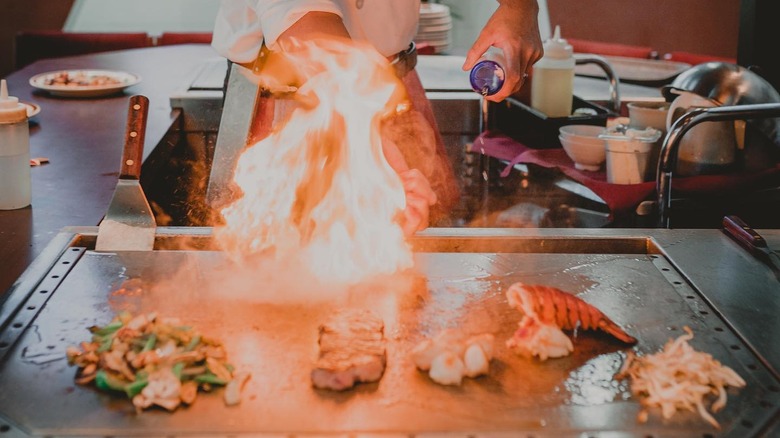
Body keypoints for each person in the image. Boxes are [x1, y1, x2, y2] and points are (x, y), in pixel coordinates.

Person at [211, 0, 543, 234]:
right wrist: (363, 133)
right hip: (288, 100)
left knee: (410, 268)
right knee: (278, 272)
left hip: (394, 84)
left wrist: (519, 8)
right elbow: (301, 20)